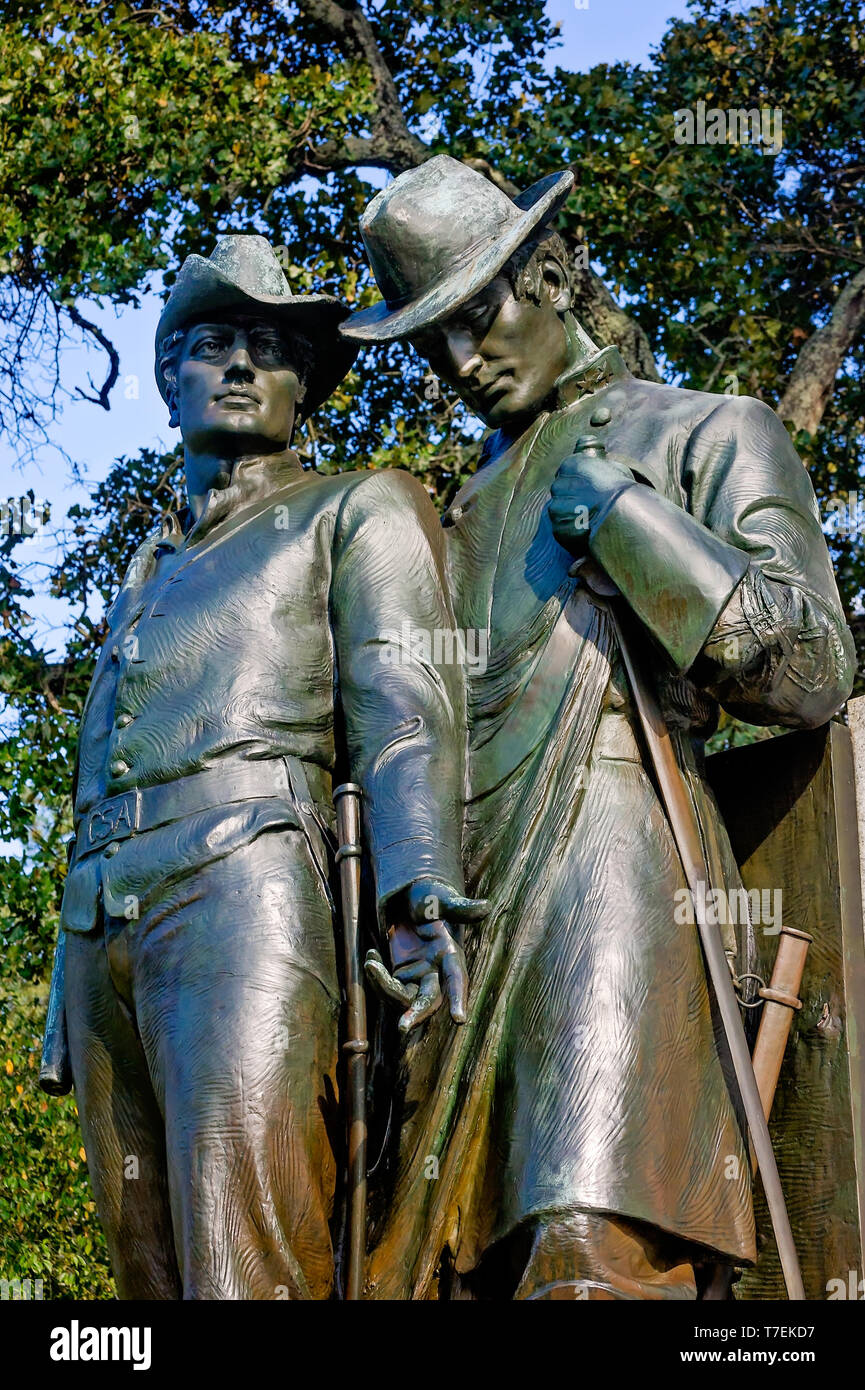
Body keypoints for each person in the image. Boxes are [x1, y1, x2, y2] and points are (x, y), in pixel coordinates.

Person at [341, 155, 856, 1300]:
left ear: (558, 275)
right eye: (429, 341)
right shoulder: (439, 525)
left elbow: (814, 668)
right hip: (461, 932)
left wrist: (631, 524)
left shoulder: (707, 431)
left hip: (618, 883)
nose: (457, 363)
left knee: (590, 1254)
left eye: (474, 316)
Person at [55, 234, 485, 1299]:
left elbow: (404, 707)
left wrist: (416, 887)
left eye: (270, 347)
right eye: (214, 341)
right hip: (99, 921)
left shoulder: (357, 506)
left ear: (302, 386)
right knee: (145, 1280)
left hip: (243, 886)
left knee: (245, 1253)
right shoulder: (142, 568)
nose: (242, 364)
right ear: (169, 380)